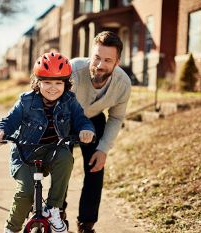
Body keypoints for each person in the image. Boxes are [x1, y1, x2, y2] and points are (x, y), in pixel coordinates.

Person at [0, 52, 95, 233]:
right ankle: (11, 229)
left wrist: (87, 130)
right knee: (26, 193)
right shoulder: (26, 101)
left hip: (53, 152)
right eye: (47, 82)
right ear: (38, 82)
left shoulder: (69, 101)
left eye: (58, 83)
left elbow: (81, 120)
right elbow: (9, 121)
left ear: (65, 84)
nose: (53, 88)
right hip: (25, 154)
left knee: (66, 158)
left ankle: (53, 209)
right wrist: (0, 131)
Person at [66, 31, 132, 232]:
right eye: (96, 57)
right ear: (90, 55)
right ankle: (56, 213)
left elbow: (116, 117)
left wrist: (103, 149)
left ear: (117, 62)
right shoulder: (73, 71)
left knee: (95, 169)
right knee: (61, 165)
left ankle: (86, 223)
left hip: (94, 119)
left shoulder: (123, 84)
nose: (100, 64)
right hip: (66, 117)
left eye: (107, 60)